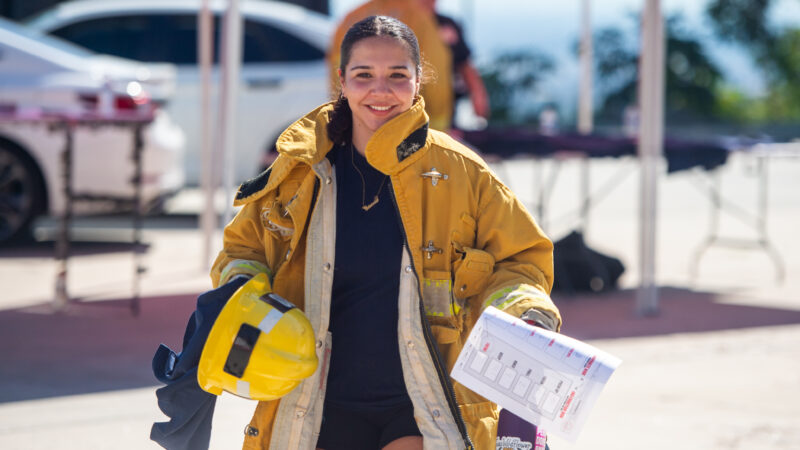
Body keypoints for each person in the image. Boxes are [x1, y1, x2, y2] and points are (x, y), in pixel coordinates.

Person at [211, 16, 561, 450]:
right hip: (315, 401)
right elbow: (241, 251)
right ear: (342, 81)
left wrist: (524, 311)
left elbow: (519, 261)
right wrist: (245, 292)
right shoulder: (299, 171)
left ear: (419, 81)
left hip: (421, 399)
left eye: (398, 75)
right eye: (363, 75)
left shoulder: (463, 173)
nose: (381, 90)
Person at [327, 0, 453, 132]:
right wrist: (440, 129)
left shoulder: (349, 19)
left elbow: (336, 79)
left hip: (355, 130)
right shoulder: (417, 17)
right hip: (410, 131)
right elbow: (438, 82)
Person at [419, 0, 490, 128]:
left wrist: (478, 95)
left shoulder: (447, 24)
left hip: (446, 103)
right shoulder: (402, 23)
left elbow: (465, 64)